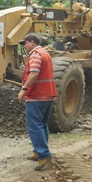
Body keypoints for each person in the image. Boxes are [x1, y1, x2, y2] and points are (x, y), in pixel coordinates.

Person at [17, 33, 57, 171]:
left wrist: (23, 89)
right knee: (42, 125)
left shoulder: (35, 55)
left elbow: (34, 73)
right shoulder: (44, 53)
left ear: (32, 42)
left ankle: (44, 154)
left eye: (25, 43)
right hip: (47, 95)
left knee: (34, 126)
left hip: (37, 96)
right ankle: (38, 150)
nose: (24, 46)